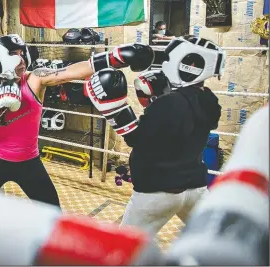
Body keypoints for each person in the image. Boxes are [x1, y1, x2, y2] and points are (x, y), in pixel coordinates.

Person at [0, 34, 154, 208]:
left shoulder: (34, 79)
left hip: (28, 161)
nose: (21, 59)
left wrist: (114, 57)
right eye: (14, 54)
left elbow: (69, 72)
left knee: (52, 211)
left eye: (22, 53)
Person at [83, 35, 225, 237]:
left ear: (189, 64)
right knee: (213, 243)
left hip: (157, 192)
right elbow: (179, 128)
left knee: (126, 249)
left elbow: (138, 140)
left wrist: (115, 110)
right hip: (195, 188)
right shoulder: (210, 101)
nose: (166, 62)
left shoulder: (168, 105)